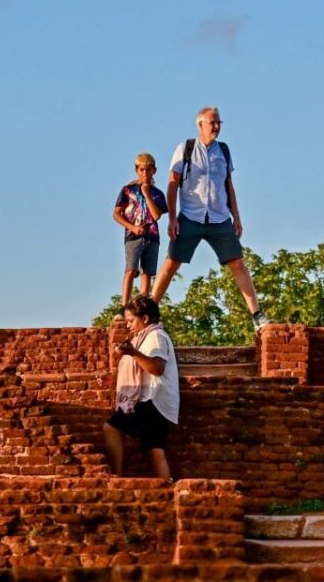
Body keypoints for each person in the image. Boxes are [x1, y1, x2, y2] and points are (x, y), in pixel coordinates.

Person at [150, 107, 271, 330]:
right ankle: (149, 311)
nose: (216, 126)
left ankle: (257, 315)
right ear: (200, 124)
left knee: (238, 263)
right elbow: (172, 184)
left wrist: (237, 217)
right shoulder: (185, 149)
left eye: (218, 122)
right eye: (212, 122)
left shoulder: (223, 151)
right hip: (190, 215)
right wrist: (172, 219)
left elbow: (229, 185)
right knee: (171, 263)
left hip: (219, 217)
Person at [104, 295, 179, 480]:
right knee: (155, 450)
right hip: (159, 402)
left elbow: (157, 368)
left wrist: (133, 352)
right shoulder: (146, 338)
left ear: (145, 319)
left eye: (131, 321)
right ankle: (168, 491)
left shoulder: (156, 336)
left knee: (110, 428)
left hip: (153, 400)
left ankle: (117, 477)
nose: (128, 325)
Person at [113, 152, 168, 315]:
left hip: (152, 236)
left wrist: (146, 193)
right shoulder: (127, 190)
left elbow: (157, 214)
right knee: (130, 269)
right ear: (137, 170)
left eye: (148, 170)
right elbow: (116, 214)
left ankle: (143, 306)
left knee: (147, 272)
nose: (145, 173)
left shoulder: (157, 194)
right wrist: (131, 227)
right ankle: (123, 305)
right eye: (142, 170)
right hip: (133, 236)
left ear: (154, 171)